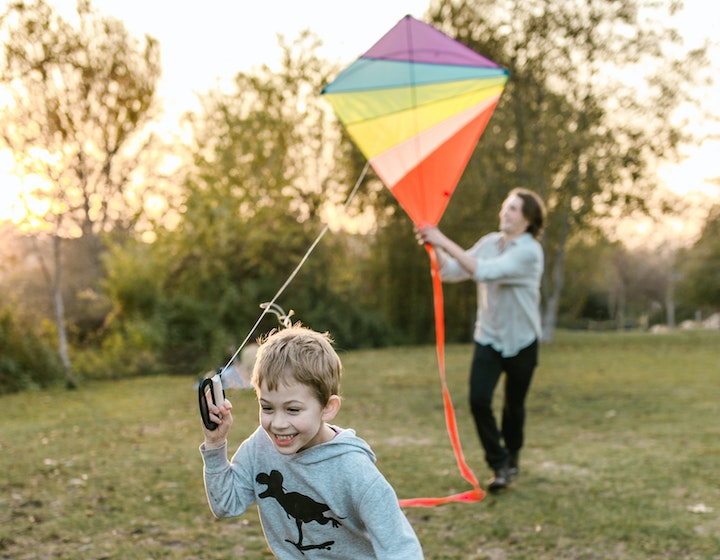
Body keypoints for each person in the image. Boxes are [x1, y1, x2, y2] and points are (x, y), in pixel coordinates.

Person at [199, 324, 424, 559]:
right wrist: (215, 443)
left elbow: (401, 549)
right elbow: (225, 505)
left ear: (327, 408)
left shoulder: (355, 471)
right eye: (267, 407)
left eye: (293, 409)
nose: (278, 423)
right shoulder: (260, 447)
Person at [415, 187, 546, 493]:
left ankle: (512, 456)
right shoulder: (490, 243)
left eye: (513, 208)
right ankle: (499, 465)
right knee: (478, 399)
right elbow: (451, 272)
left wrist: (441, 238)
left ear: (528, 219)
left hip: (523, 340)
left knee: (514, 406)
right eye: (505, 206)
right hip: (489, 336)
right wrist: (433, 247)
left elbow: (484, 272)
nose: (505, 212)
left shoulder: (529, 252)